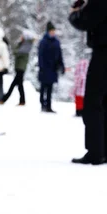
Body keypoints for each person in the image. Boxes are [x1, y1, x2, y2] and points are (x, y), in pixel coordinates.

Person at [69, 0, 107, 165]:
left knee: (93, 102)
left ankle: (96, 151)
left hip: (103, 53)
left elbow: (83, 20)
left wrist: (75, 12)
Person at [1, 32, 35, 105]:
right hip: (19, 66)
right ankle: (21, 100)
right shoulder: (23, 44)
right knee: (19, 84)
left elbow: (17, 52)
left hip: (21, 67)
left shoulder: (26, 45)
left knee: (14, 84)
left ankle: (4, 99)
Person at [38, 22, 65, 113]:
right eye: (51, 31)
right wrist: (41, 66)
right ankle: (42, 104)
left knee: (50, 87)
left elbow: (59, 55)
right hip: (45, 67)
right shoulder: (43, 42)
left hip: (53, 68)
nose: (53, 33)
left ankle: (48, 106)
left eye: (54, 31)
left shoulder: (56, 42)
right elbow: (40, 55)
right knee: (43, 87)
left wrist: (61, 66)